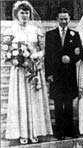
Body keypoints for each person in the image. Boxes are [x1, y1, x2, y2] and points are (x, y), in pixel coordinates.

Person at [1, 1, 53, 144]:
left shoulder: (35, 30)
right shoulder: (11, 31)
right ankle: (23, 133)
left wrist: (37, 55)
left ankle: (35, 132)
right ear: (16, 14)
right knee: (21, 100)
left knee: (34, 100)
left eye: (27, 13)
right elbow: (5, 50)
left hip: (34, 69)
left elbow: (44, 49)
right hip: (19, 71)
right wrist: (15, 58)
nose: (25, 15)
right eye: (22, 13)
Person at [44, 8, 83, 140]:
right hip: (56, 75)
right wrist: (49, 74)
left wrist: (71, 58)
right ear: (57, 19)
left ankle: (69, 129)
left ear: (69, 19)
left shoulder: (74, 34)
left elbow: (79, 53)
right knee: (58, 103)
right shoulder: (50, 35)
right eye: (61, 19)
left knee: (69, 103)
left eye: (66, 19)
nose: (64, 21)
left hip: (69, 75)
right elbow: (47, 56)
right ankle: (59, 131)